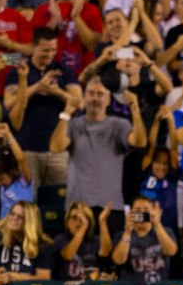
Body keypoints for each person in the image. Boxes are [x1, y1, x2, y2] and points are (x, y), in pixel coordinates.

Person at [50, 77, 146, 239]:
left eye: (100, 94)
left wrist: (135, 110)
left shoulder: (119, 125)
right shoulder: (73, 125)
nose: (95, 98)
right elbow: (55, 147)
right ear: (84, 97)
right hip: (78, 207)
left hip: (111, 207)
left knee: (108, 260)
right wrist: (66, 113)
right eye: (91, 93)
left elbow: (139, 141)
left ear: (108, 100)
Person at [4, 27, 82, 188]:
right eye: (45, 50)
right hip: (27, 150)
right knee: (28, 201)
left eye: (53, 50)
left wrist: (57, 92)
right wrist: (37, 87)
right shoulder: (18, 71)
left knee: (58, 201)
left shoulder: (63, 71)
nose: (50, 54)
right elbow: (9, 103)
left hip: (58, 152)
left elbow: (79, 103)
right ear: (33, 47)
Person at [31, 0, 102, 76]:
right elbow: (33, 47)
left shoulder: (91, 9)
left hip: (81, 75)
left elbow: (92, 45)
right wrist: (53, 20)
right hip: (48, 74)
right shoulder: (42, 10)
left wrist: (76, 17)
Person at [0, 201, 52, 285]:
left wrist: (17, 277)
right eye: (12, 214)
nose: (14, 218)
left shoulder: (42, 245)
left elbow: (44, 278)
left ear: (30, 221)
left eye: (20, 217)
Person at [111, 196, 178, 285]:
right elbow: (118, 260)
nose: (142, 213)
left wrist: (157, 225)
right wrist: (127, 232)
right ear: (130, 213)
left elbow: (171, 251)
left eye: (146, 209)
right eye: (137, 209)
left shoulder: (165, 232)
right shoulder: (121, 235)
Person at [54, 201, 112, 282]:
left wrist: (102, 222)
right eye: (74, 217)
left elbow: (105, 252)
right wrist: (83, 227)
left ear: (89, 222)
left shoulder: (95, 240)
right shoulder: (61, 239)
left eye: (83, 218)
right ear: (67, 222)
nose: (78, 221)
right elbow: (68, 255)